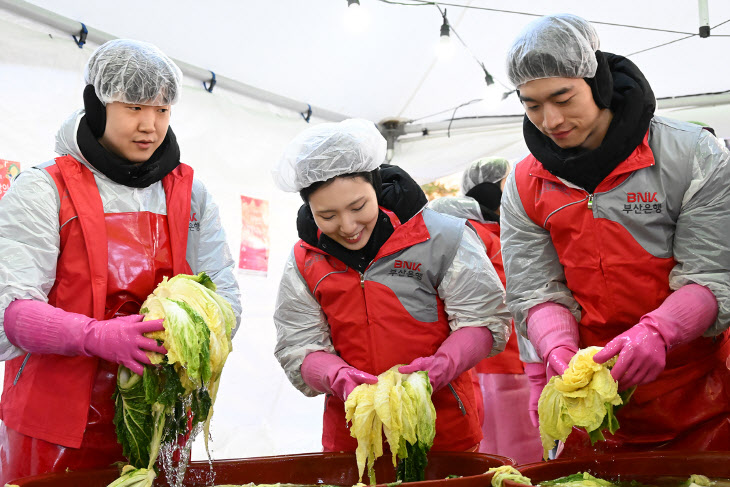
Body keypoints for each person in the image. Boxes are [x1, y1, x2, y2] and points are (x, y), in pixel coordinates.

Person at [0, 39, 241, 482]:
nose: (150, 125)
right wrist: (93, 335)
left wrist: (196, 332)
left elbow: (224, 295)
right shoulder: (42, 190)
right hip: (55, 428)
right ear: (97, 105)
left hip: (160, 423)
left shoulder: (191, 194)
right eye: (133, 107)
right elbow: (10, 314)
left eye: (163, 110)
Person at [501, 13, 730, 456]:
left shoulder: (691, 155)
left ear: (598, 82)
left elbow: (714, 274)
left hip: (697, 395)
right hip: (590, 401)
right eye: (531, 104)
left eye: (563, 97)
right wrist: (555, 346)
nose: (550, 119)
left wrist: (660, 332)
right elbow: (534, 289)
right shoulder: (525, 182)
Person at [272, 119, 510, 453]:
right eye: (327, 215)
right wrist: (334, 375)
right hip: (354, 438)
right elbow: (298, 345)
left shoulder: (442, 237)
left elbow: (484, 320)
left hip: (443, 433)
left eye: (359, 207)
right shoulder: (305, 261)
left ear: (376, 185)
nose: (348, 226)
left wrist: (441, 367)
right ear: (308, 209)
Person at [429, 157, 542, 464]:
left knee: (521, 445)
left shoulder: (501, 230)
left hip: (518, 359)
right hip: (500, 363)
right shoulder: (475, 234)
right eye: (507, 185)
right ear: (490, 191)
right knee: (513, 452)